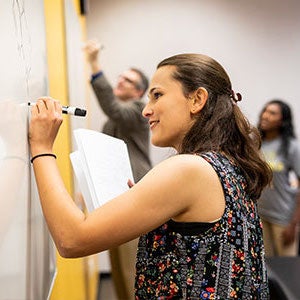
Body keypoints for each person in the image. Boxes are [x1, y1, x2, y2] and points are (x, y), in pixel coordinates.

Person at [29, 53, 272, 299]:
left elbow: (72, 239)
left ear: (197, 99)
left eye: (157, 95)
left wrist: (41, 148)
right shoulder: (228, 163)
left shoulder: (189, 169)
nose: (146, 111)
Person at [84, 39, 152, 299]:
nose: (120, 81)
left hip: (133, 193)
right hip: (116, 197)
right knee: (118, 268)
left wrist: (94, 64)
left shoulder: (138, 111)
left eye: (128, 80)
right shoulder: (115, 119)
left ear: (139, 92)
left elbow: (112, 107)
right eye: (120, 77)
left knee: (131, 267)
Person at [257, 99, 300, 257]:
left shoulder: (291, 147)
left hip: (282, 218)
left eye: (272, 113)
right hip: (260, 215)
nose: (266, 116)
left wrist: (294, 224)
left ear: (283, 120)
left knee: (287, 268)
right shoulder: (256, 143)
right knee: (266, 266)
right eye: (265, 111)